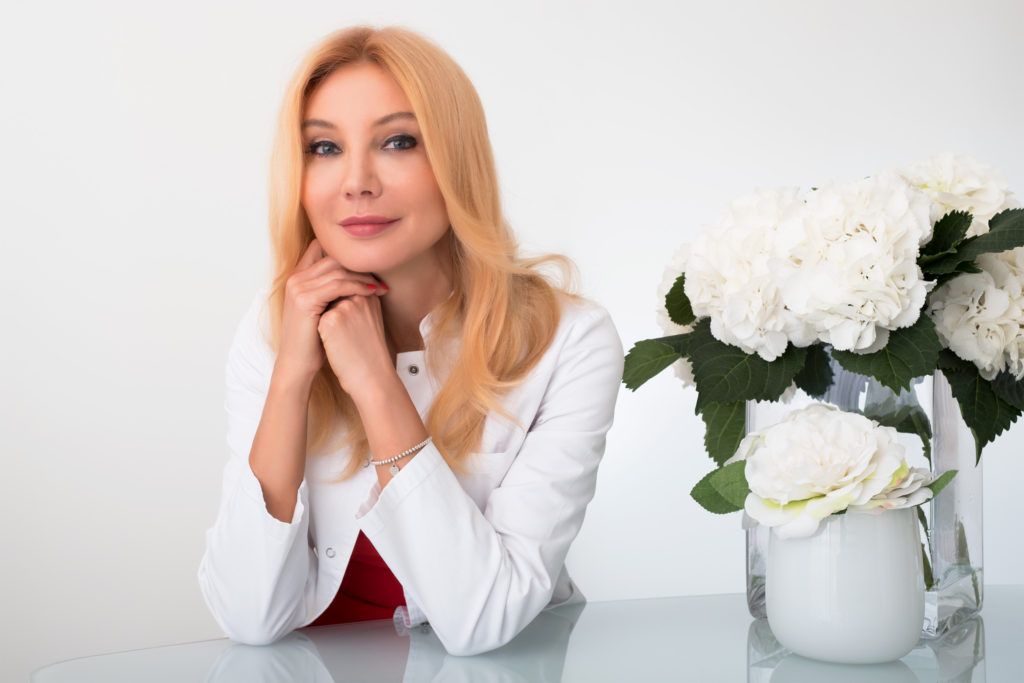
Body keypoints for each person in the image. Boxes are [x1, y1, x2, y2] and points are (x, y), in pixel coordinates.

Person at [197, 24, 624, 657]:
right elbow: (247, 616)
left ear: (456, 160)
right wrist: (291, 376)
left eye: (398, 141)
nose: (356, 182)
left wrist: (375, 382)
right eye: (324, 148)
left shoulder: (567, 341)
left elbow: (484, 620)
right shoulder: (273, 327)